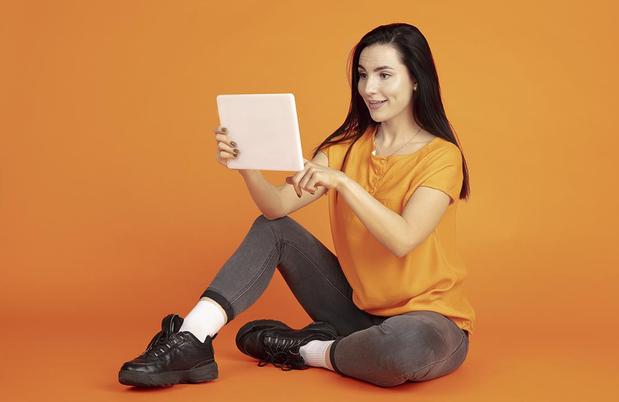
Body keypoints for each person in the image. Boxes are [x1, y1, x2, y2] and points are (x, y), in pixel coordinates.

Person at [118, 22, 475, 388]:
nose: (369, 88)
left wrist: (343, 182)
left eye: (385, 75)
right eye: (363, 75)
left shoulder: (441, 156)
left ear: (416, 79)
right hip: (356, 312)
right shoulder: (344, 149)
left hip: (430, 320)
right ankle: (192, 339)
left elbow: (403, 239)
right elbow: (276, 208)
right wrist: (247, 168)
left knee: (403, 350)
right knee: (274, 230)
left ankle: (307, 350)